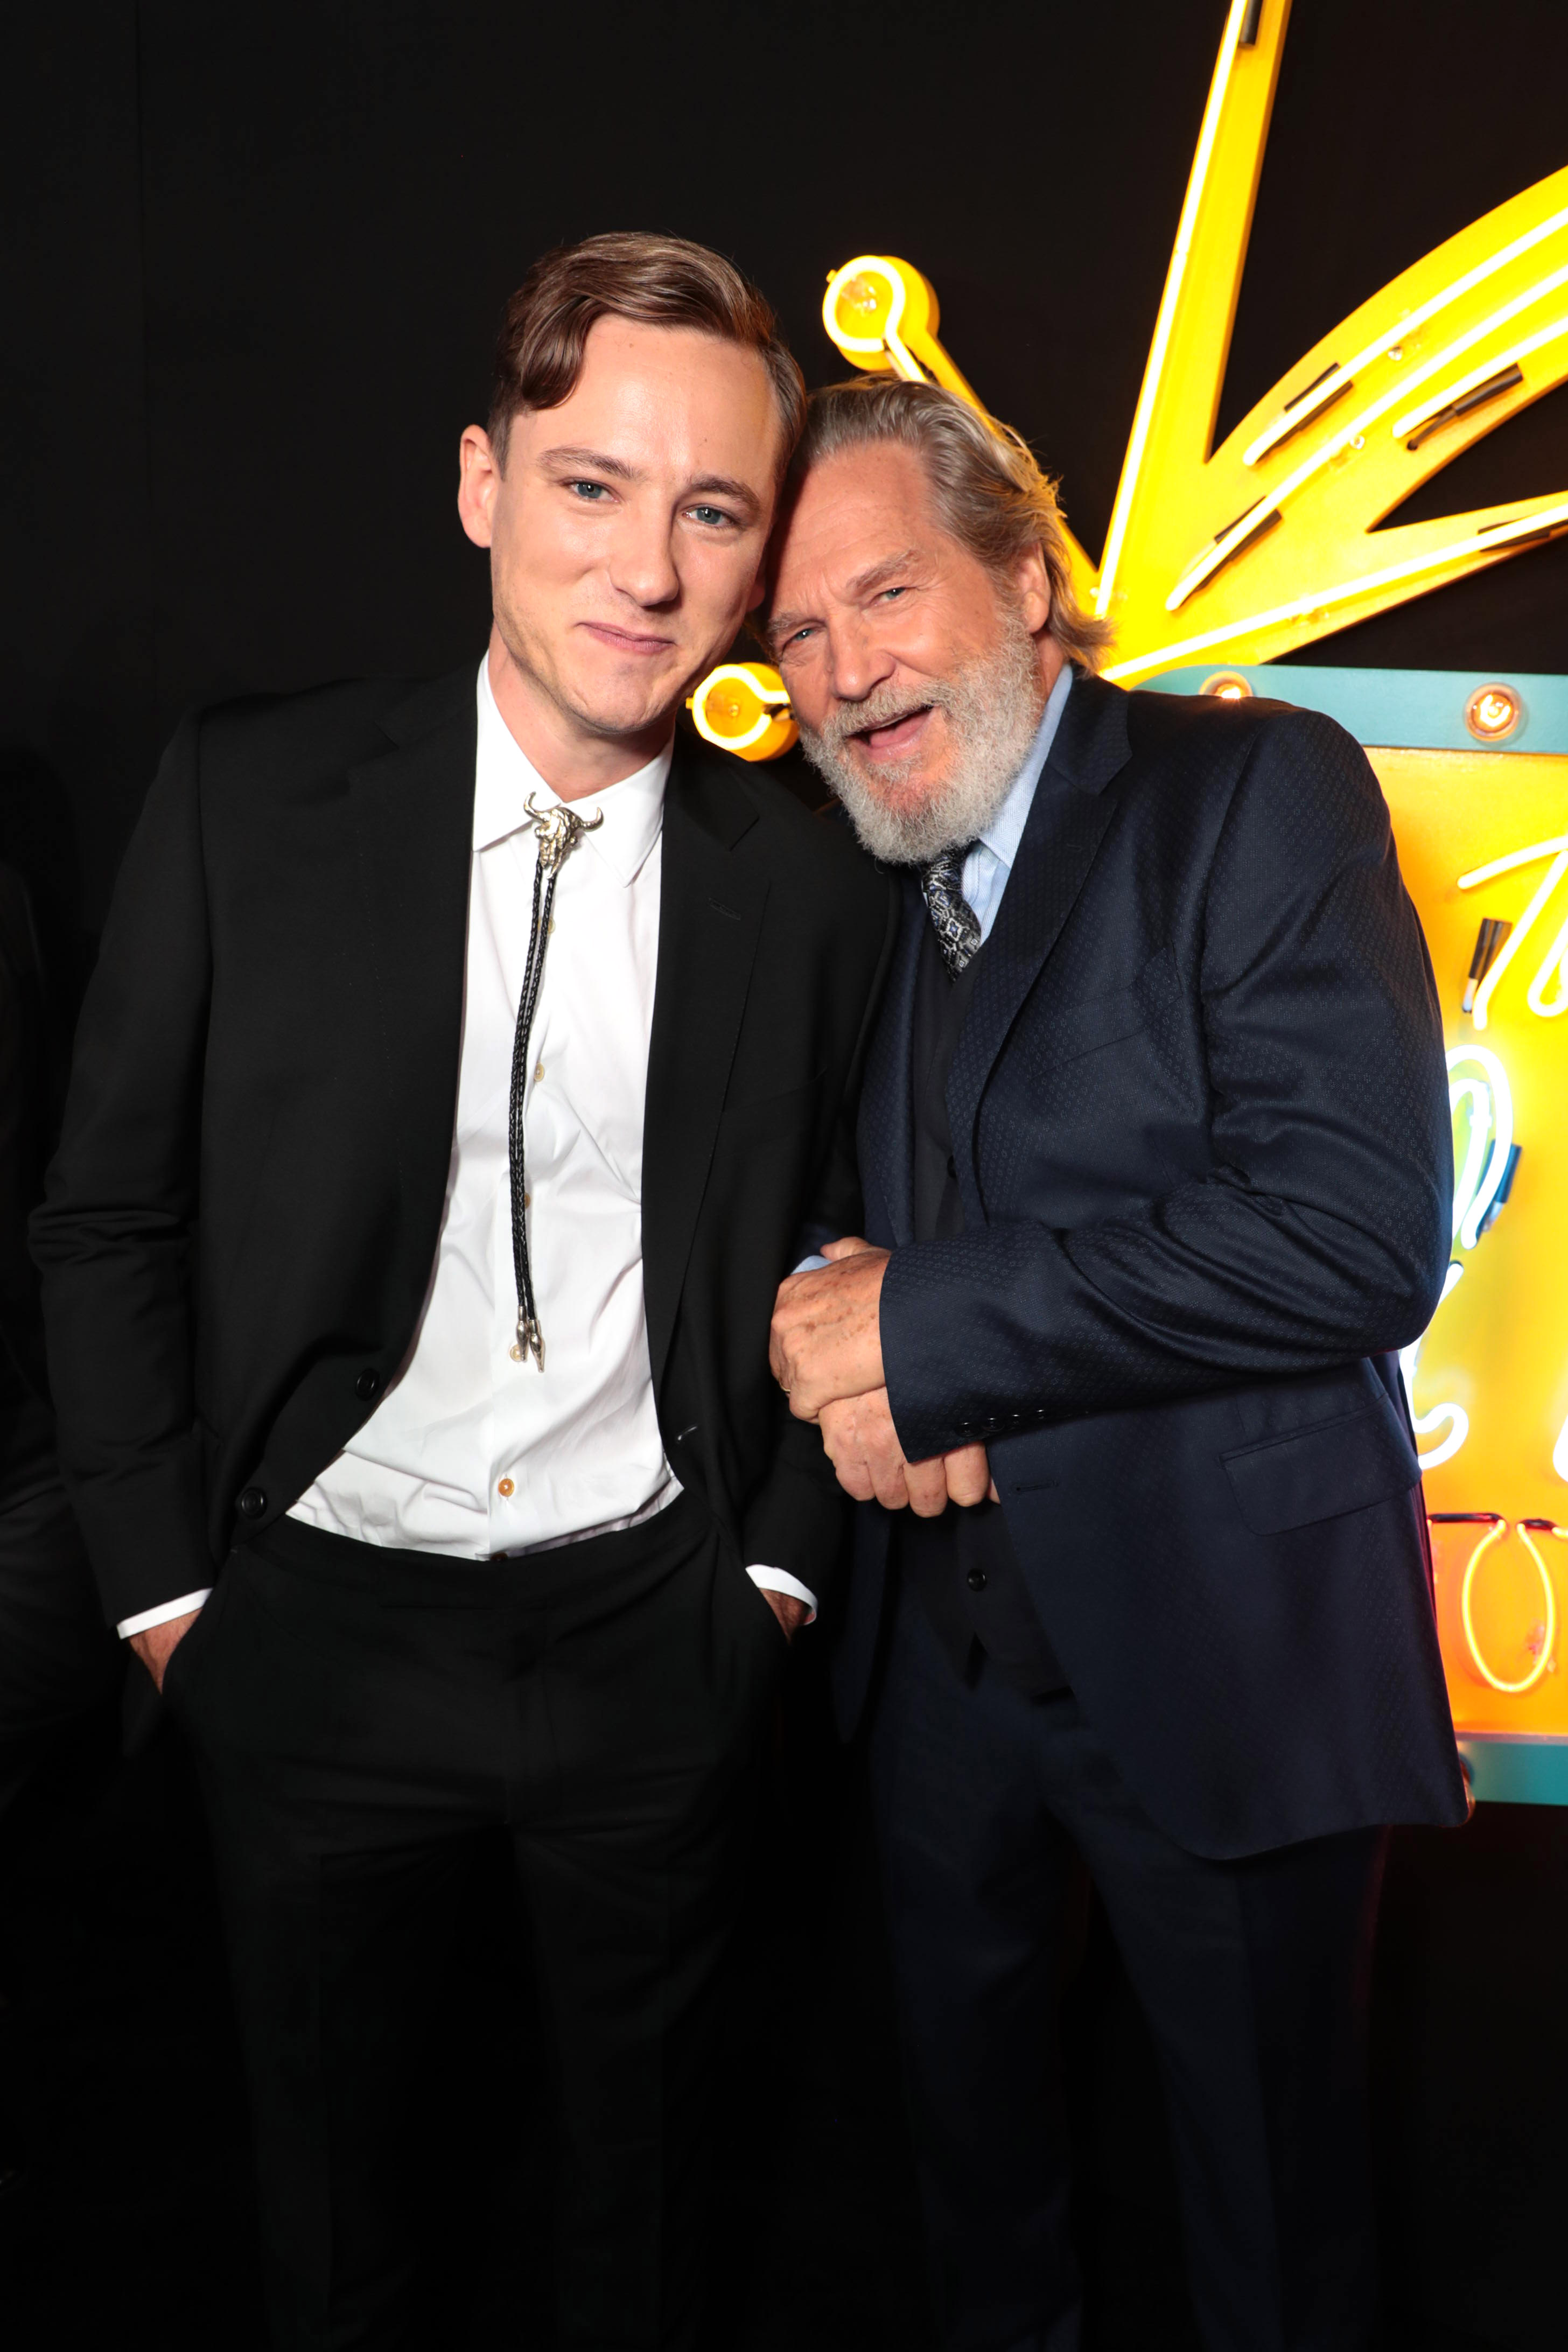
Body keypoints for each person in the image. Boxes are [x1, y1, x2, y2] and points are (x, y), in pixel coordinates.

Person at [34, 235, 896, 2351]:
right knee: (335, 2247)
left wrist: (771, 1585)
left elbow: (845, 1230)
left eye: (714, 512)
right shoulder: (247, 796)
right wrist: (171, 1605)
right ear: (482, 484)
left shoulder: (810, 880)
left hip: (658, 1634)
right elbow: (108, 1216)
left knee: (650, 2241)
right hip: (308, 1628)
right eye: (592, 484)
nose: (648, 568)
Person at [765, 376, 1466, 2352]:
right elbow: (822, 1202)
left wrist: (929, 1331)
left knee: (1273, 2243)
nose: (843, 670)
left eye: (885, 595)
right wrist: (839, 1312)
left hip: (1222, 1661)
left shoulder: (1254, 792)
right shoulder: (859, 877)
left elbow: (1352, 1234)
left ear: (1025, 579)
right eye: (798, 632)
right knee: (977, 2224)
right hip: (933, 1687)